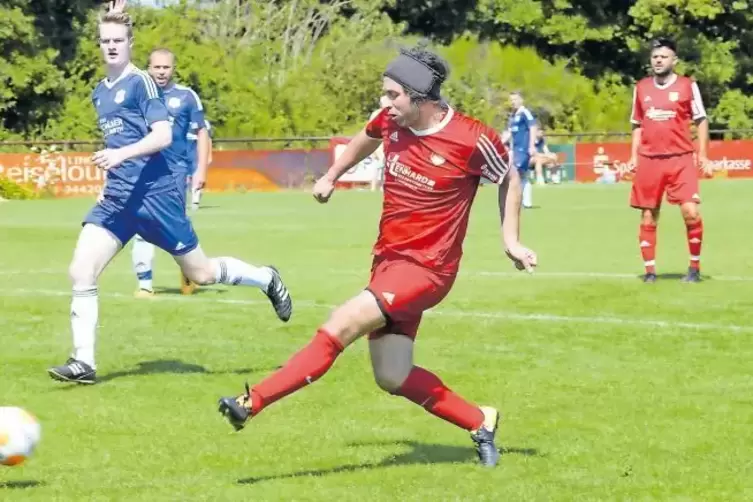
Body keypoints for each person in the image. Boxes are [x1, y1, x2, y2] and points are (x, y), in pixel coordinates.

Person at [217, 47, 537, 468]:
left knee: (341, 324)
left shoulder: (472, 138)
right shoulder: (391, 121)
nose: (385, 103)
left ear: (421, 98)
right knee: (393, 376)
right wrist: (331, 176)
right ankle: (480, 421)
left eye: (393, 95)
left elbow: (508, 176)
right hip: (387, 262)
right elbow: (366, 137)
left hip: (427, 270)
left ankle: (252, 401)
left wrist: (510, 240)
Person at [47, 9, 292, 386]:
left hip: (157, 198)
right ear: (99, 45)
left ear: (130, 45)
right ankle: (84, 362)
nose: (112, 46)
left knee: (202, 273)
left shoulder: (141, 83)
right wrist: (110, 174)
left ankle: (266, 278)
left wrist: (120, 155)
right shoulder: (100, 92)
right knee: (81, 270)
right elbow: (118, 141)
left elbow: (161, 136)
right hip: (118, 200)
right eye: (106, 41)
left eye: (118, 40)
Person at [626, 37, 712, 283]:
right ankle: (650, 272)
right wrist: (633, 156)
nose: (658, 60)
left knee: (691, 212)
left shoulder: (687, 85)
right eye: (654, 57)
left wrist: (703, 154)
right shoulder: (641, 87)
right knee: (648, 216)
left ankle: (694, 269)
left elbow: (701, 119)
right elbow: (636, 124)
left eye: (663, 56)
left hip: (681, 158)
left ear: (674, 60)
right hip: (650, 160)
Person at [130, 47, 212, 298]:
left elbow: (202, 132)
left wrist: (200, 169)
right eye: (157, 67)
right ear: (148, 68)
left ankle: (189, 268)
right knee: (141, 224)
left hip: (175, 172)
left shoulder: (187, 97)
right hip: (143, 171)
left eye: (166, 67)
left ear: (173, 69)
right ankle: (144, 283)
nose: (161, 72)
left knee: (176, 226)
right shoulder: (137, 96)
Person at [501, 92, 538, 208]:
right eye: (511, 100)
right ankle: (526, 202)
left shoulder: (524, 113)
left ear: (521, 100)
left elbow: (533, 127)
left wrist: (531, 146)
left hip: (523, 148)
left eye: (515, 99)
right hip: (515, 149)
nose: (513, 102)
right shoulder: (513, 116)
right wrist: (499, 143)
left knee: (515, 173)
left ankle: (518, 200)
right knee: (522, 175)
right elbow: (509, 133)